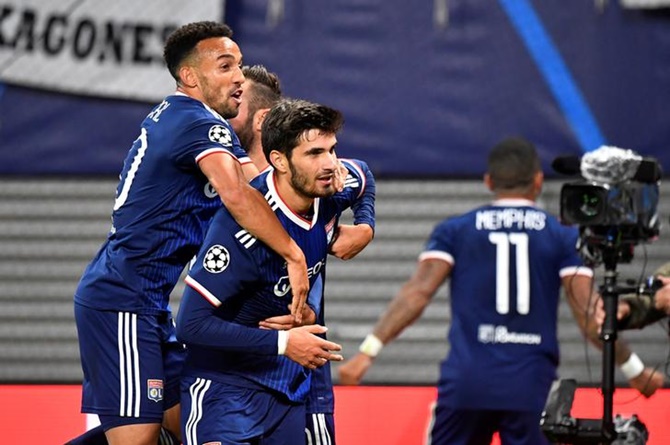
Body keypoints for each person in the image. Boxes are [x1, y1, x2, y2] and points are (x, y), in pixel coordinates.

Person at [70, 22, 313, 445]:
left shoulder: (192, 120)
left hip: (146, 303)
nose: (238, 76)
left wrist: (332, 198)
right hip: (122, 304)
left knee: (191, 425)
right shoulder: (198, 124)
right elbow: (239, 195)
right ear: (190, 77)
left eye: (237, 65)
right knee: (138, 439)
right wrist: (294, 255)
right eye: (225, 66)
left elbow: (262, 188)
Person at [337, 137, 664, 445]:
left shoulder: (456, 230)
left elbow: (417, 293)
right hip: (531, 385)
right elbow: (590, 315)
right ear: (537, 181)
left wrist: (367, 352)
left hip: (468, 380)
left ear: (489, 181)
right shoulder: (562, 236)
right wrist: (634, 370)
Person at [176, 98, 375, 443]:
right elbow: (190, 325)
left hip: (287, 390)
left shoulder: (333, 185)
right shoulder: (240, 234)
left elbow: (365, 176)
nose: (330, 164)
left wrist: (365, 226)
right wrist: (283, 342)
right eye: (314, 154)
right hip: (226, 390)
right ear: (279, 160)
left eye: (332, 149)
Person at [228, 64, 375, 444]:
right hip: (235, 372)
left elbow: (362, 177)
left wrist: (366, 226)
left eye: (235, 101)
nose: (223, 112)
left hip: (304, 372)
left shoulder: (320, 179)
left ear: (261, 119)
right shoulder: (222, 185)